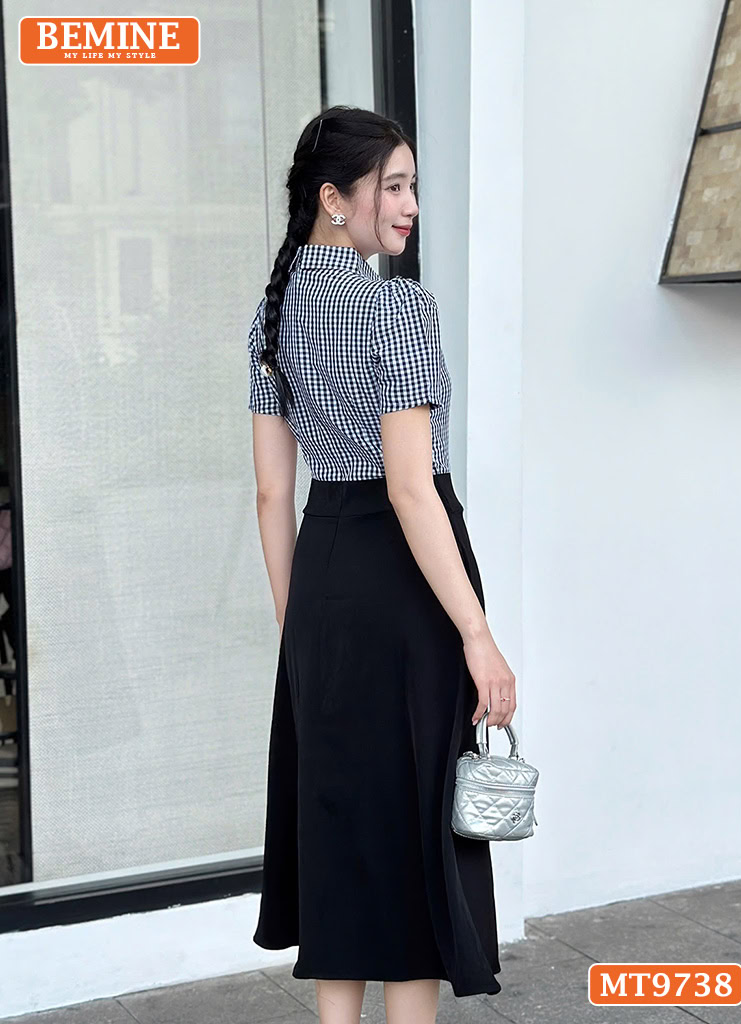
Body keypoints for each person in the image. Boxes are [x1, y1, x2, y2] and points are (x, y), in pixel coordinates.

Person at [248, 105, 517, 1024]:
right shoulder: (397, 307)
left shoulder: (272, 312)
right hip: (407, 588)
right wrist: (477, 634)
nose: (410, 205)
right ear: (335, 198)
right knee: (410, 840)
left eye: (412, 185)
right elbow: (411, 489)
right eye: (392, 186)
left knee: (344, 832)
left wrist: (298, 630)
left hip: (323, 582)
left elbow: (272, 497)